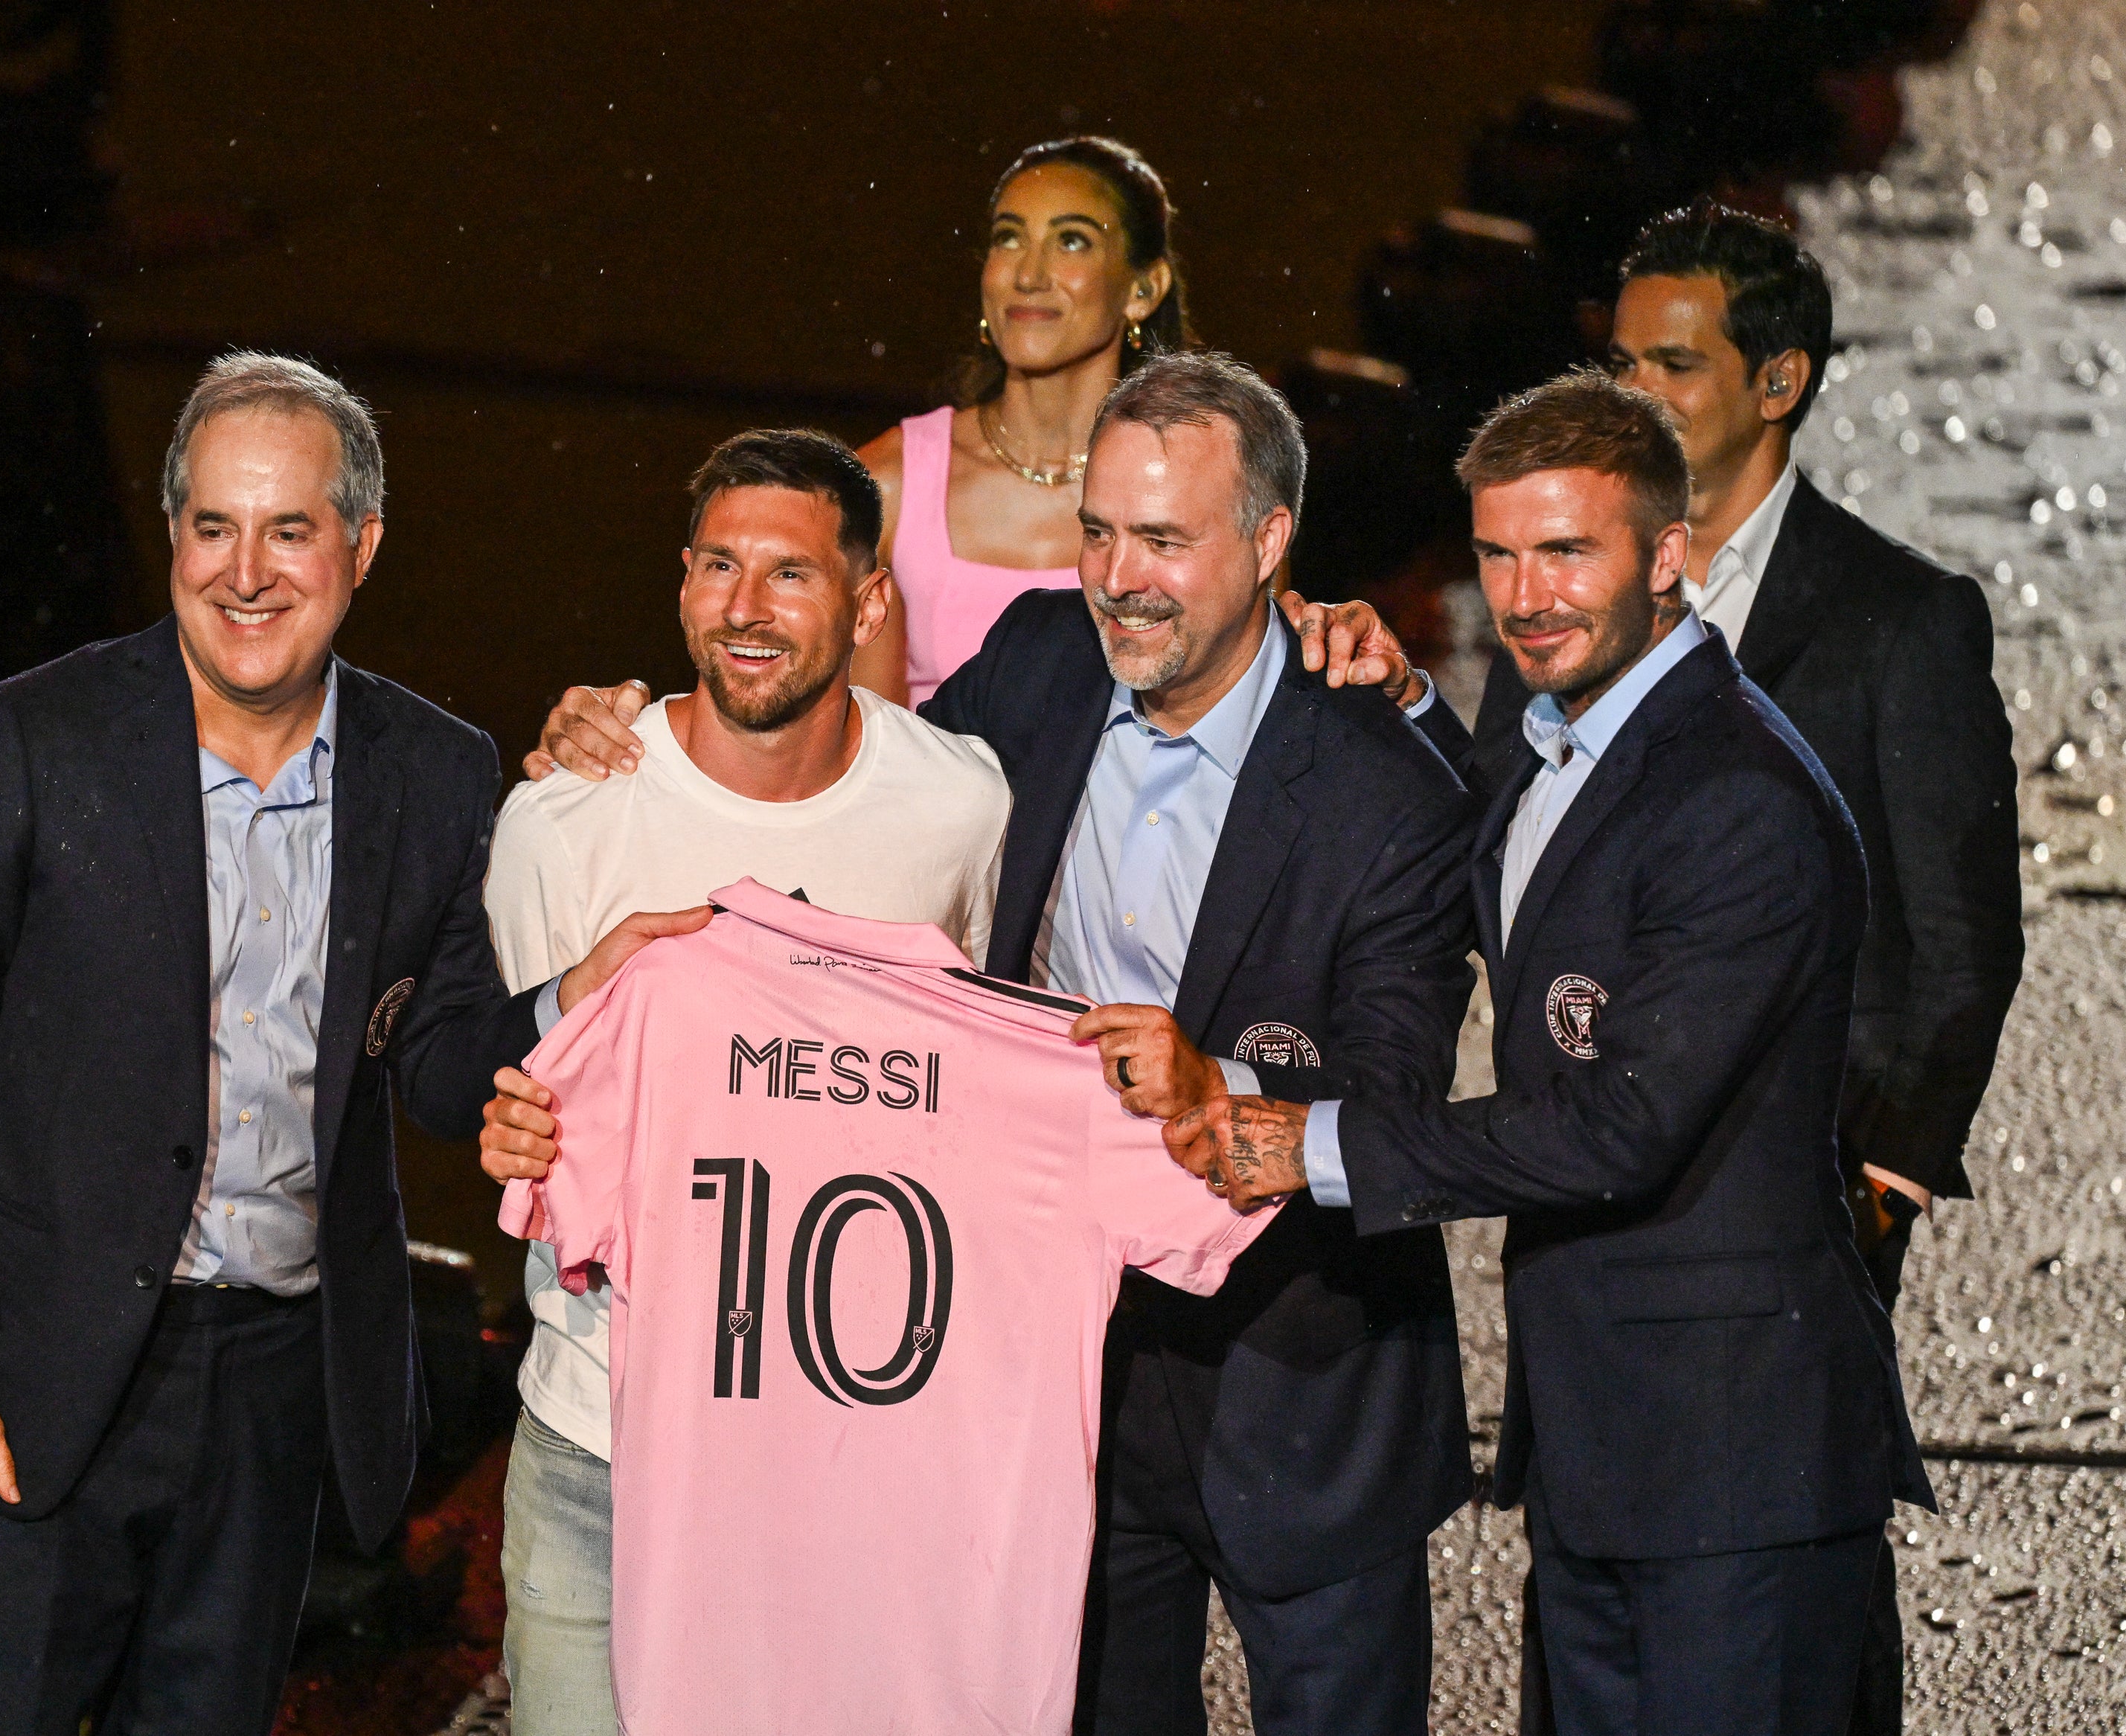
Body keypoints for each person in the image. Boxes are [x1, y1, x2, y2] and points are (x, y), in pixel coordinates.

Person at [516, 351, 1485, 1735]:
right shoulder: (1038, 659)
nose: (1120, 575)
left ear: (1271, 542)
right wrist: (640, 736)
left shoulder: (1390, 788)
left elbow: (1393, 1101)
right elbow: (851, 812)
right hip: (1060, 1391)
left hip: (1305, 1393)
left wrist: (1220, 1088)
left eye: (1165, 537)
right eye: (1098, 529)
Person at [0, 353, 685, 1736]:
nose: (246, 572)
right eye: (213, 526)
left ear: (363, 545)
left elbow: (443, 1053)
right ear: (173, 535)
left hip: (275, 1393)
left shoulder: (437, 771)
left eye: (289, 528)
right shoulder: (31, 739)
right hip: (29, 1377)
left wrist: (567, 1001)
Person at [1171, 371, 1933, 1736]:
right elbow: (1485, 870)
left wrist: (1317, 1140)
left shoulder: (1738, 801)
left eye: (1569, 551)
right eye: (1500, 554)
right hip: (1605, 1457)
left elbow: (1622, 1121)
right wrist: (1402, 700)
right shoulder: (1547, 744)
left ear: (1669, 555)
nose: (1526, 597)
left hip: (1738, 1472)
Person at [1462, 202, 2021, 1733]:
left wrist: (1884, 1179)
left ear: (1775, 382)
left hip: (1792, 1206)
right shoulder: (1561, 599)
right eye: (1617, 354)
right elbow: (1488, 844)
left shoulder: (1898, 618)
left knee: (1771, 1567)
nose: (1632, 385)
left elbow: (1961, 939)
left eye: (1672, 359)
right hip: (1596, 1246)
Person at [480, 429, 1011, 1736]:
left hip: (848, 1463)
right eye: (720, 565)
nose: (746, 607)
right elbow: (524, 1096)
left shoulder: (962, 808)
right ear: (679, 583)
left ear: (871, 599)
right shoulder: (562, 822)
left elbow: (976, 1080)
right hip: (602, 1446)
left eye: (791, 572)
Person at [850, 135, 1185, 708]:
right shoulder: (886, 486)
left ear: (1143, 289)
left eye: (1071, 241)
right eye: (1009, 238)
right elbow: (848, 762)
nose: (1028, 275)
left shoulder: (1201, 489)